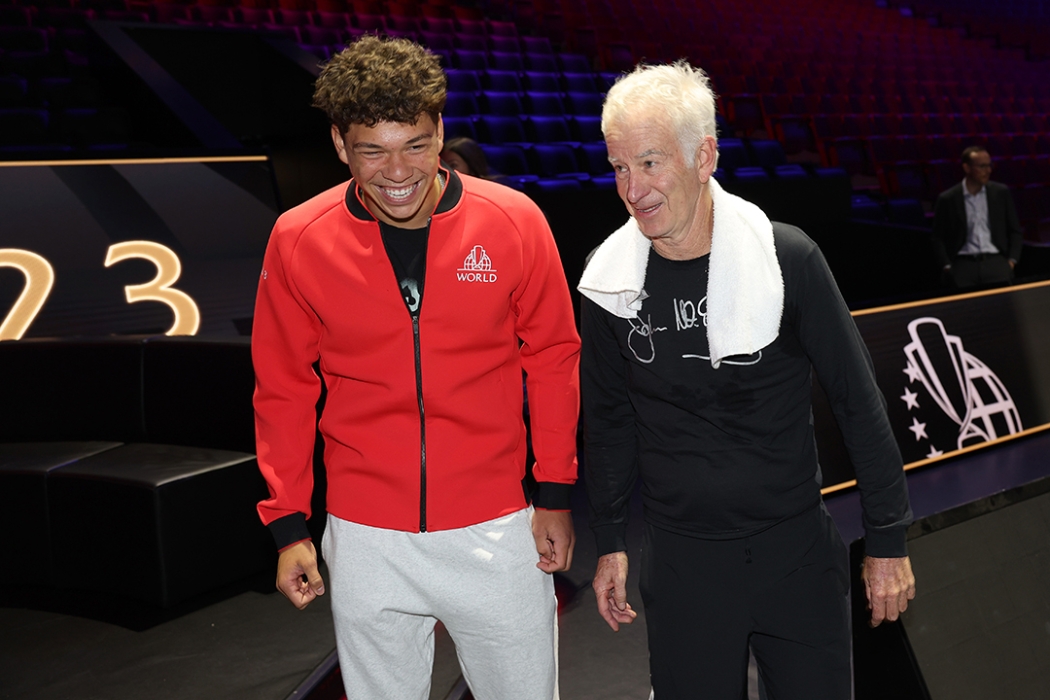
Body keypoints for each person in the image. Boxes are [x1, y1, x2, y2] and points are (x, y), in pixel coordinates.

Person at [252, 36, 580, 700]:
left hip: (496, 522)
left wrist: (554, 491)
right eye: (373, 150)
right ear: (341, 146)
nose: (398, 171)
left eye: (417, 145)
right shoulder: (298, 238)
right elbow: (283, 387)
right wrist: (288, 522)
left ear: (441, 132)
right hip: (366, 535)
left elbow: (552, 358)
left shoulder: (514, 221)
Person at [578, 61, 916, 699]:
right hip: (683, 567)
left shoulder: (786, 258)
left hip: (796, 558)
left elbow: (858, 401)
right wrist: (612, 540)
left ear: (703, 155)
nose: (633, 189)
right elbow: (609, 419)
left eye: (650, 163)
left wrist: (888, 540)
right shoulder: (607, 280)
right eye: (619, 167)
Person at [932, 145, 1023, 289]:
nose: (988, 171)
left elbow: (1015, 229)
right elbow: (937, 237)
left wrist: (1011, 261)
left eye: (989, 165)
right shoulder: (948, 198)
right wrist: (947, 266)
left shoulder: (1000, 193)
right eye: (982, 166)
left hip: (996, 264)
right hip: (963, 266)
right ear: (967, 168)